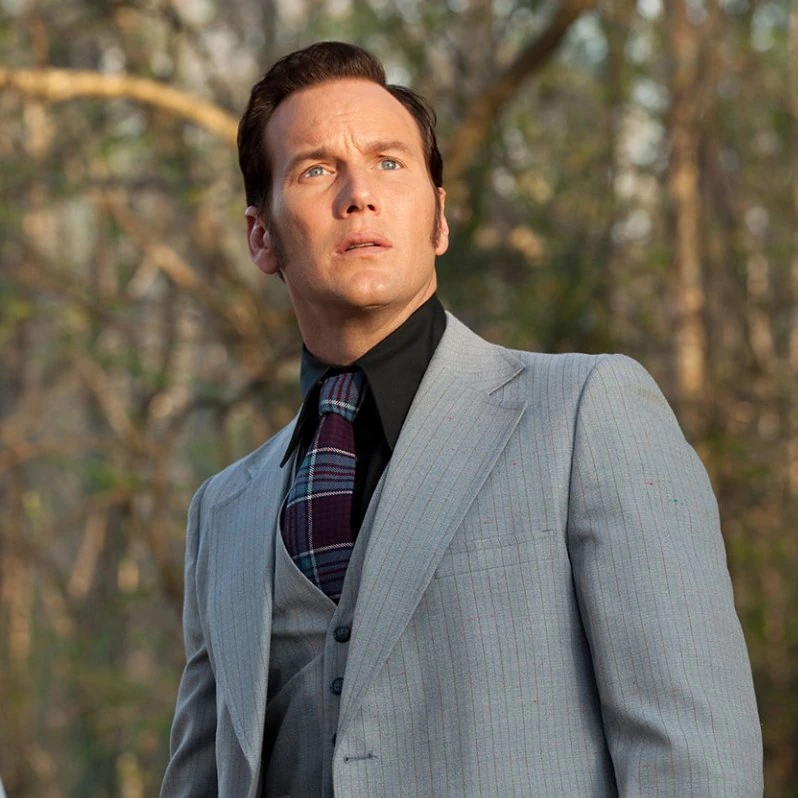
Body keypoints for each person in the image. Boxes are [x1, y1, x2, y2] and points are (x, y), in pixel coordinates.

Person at [161, 41, 763, 798]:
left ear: (439, 219)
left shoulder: (586, 413)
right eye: (315, 170)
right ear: (262, 236)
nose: (359, 194)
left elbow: (695, 760)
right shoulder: (222, 512)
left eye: (389, 163)